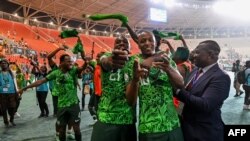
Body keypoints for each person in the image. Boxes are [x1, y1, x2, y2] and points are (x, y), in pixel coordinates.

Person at [126, 31, 184, 141]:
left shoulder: (166, 59)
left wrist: (168, 68)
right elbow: (130, 101)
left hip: (172, 124)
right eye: (143, 41)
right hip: (149, 128)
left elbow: (180, 84)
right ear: (138, 44)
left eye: (150, 40)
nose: (147, 43)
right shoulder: (133, 63)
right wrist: (135, 80)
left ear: (155, 42)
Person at [19, 52, 85, 141]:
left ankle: (70, 133)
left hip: (74, 104)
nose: (70, 63)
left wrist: (86, 60)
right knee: (61, 130)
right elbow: (41, 81)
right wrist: (25, 87)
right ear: (61, 63)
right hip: (61, 105)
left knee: (77, 129)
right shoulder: (55, 73)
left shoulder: (73, 70)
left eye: (71, 61)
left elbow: (82, 68)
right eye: (68, 61)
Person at [174, 40, 231, 141]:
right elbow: (187, 92)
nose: (194, 55)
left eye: (198, 52)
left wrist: (177, 91)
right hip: (187, 127)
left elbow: (205, 105)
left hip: (204, 132)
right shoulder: (195, 70)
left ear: (210, 55)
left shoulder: (221, 77)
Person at [91, 35, 137, 141]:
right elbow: (104, 61)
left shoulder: (135, 61)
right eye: (118, 42)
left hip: (128, 119)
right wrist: (109, 62)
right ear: (113, 47)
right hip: (106, 118)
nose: (121, 43)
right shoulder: (107, 56)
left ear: (130, 47)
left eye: (125, 42)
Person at [0, 59, 19, 127]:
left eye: (5, 63)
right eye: (2, 63)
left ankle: (11, 119)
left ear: (7, 64)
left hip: (12, 93)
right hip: (2, 93)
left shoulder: (12, 72)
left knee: (13, 107)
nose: (3, 64)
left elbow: (19, 72)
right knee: (4, 108)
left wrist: (15, 63)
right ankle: (6, 122)